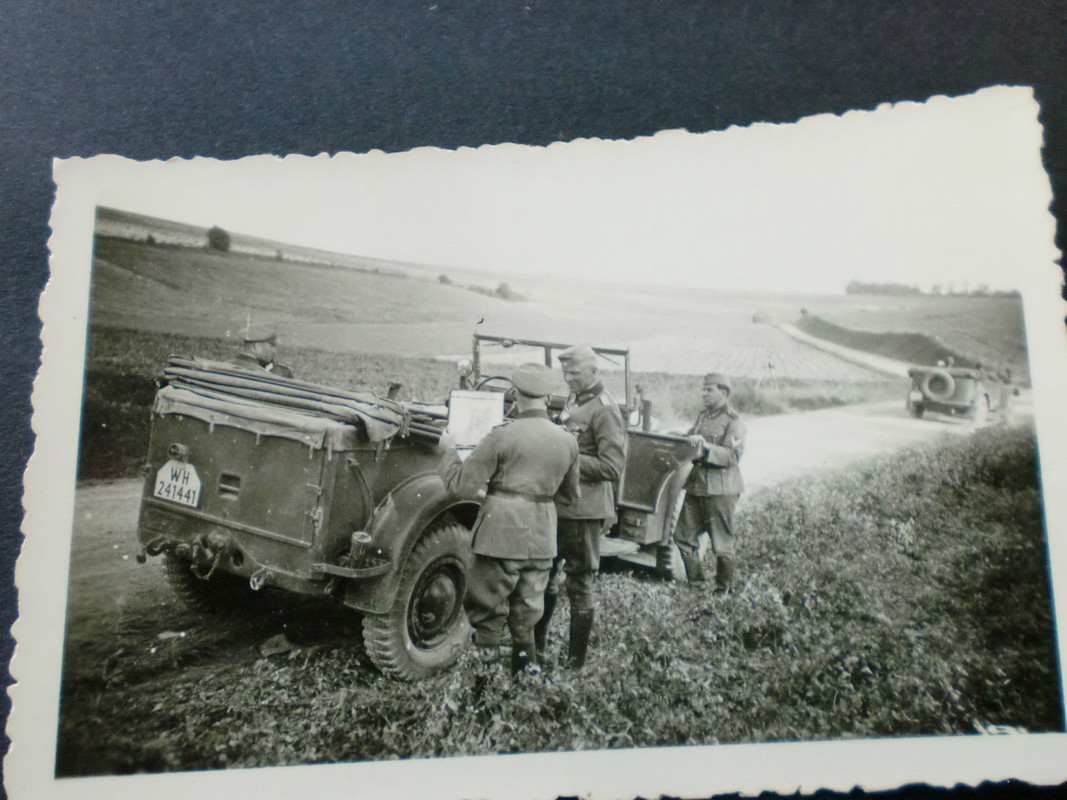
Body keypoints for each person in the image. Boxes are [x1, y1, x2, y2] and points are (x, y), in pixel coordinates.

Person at [439, 363, 580, 675]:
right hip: (542, 537)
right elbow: (570, 497)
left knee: (488, 616)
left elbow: (459, 484)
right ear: (547, 398)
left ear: (515, 393)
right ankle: (522, 689)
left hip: (500, 534)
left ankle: (481, 697)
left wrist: (448, 450)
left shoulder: (502, 436)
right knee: (526, 617)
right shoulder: (568, 441)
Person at [536, 344, 625, 669]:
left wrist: (568, 455)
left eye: (575, 373)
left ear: (594, 372)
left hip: (584, 511)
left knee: (579, 585)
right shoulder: (576, 399)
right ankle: (538, 653)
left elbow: (612, 467)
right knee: (545, 578)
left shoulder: (605, 410)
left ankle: (575, 666)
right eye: (566, 373)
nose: (569, 378)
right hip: (559, 508)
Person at [675, 372, 747, 592]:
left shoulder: (734, 422)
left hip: (721, 491)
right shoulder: (703, 416)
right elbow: (691, 438)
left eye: (709, 390)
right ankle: (696, 585)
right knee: (682, 537)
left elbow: (732, 456)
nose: (704, 393)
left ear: (723, 393)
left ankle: (723, 591)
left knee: (722, 544)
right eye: (703, 389)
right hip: (697, 487)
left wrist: (705, 447)